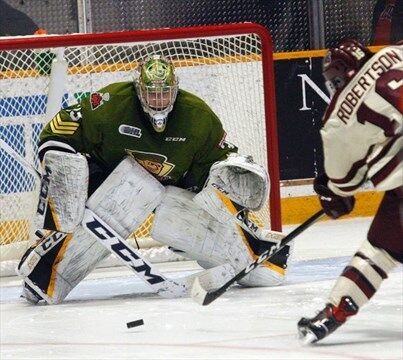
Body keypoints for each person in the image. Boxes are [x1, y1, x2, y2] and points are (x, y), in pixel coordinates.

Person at [17, 55, 290, 304]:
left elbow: (215, 169)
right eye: (151, 93)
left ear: (175, 89)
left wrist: (227, 195)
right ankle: (47, 270)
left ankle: (258, 250)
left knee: (257, 271)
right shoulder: (112, 103)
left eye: (164, 93)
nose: (158, 100)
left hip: (173, 187)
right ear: (139, 89)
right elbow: (58, 133)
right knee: (133, 188)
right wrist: (64, 182)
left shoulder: (198, 116)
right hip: (107, 182)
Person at [297, 39, 402, 344]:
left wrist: (329, 191)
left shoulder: (339, 114)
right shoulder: (394, 51)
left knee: (379, 251)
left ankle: (336, 311)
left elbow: (343, 186)